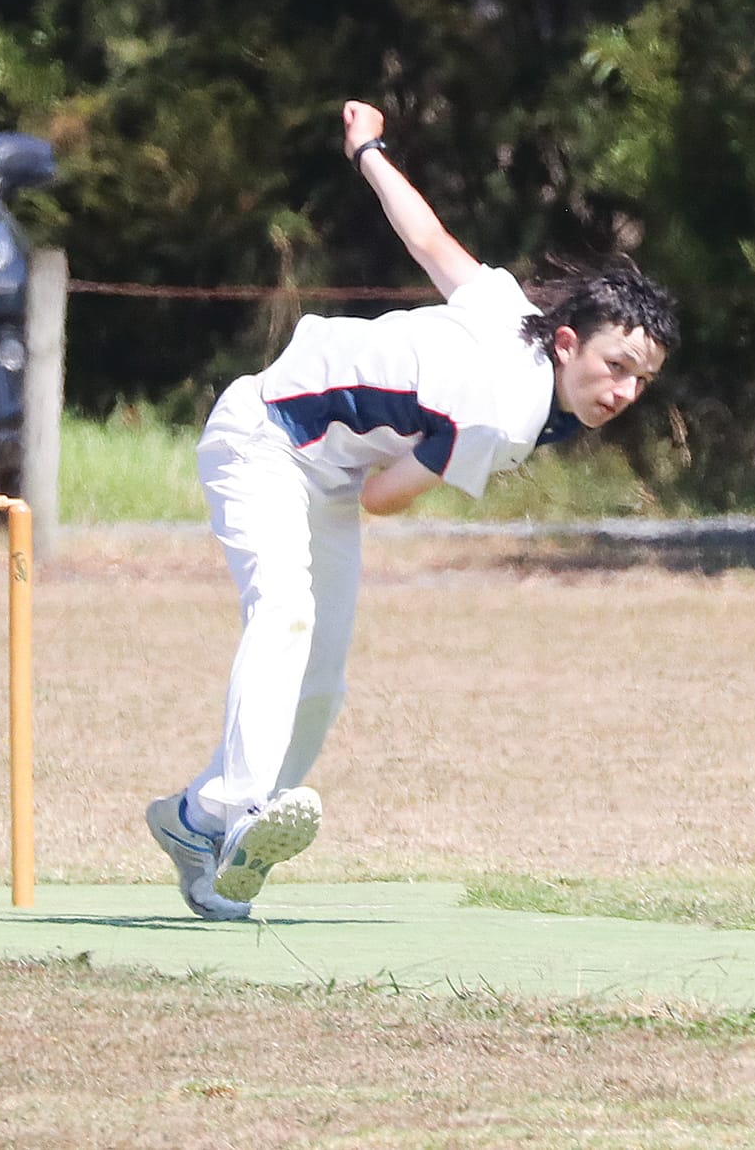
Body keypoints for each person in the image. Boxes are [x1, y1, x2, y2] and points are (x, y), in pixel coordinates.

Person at [146, 99, 680, 919]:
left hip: (324, 468)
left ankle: (209, 837)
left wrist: (370, 151)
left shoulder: (512, 312)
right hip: (264, 437)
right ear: (568, 342)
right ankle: (239, 808)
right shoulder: (503, 414)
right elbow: (383, 497)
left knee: (321, 682)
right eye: (615, 367)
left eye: (641, 381)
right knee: (284, 614)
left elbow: (427, 240)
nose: (623, 393)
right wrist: (437, 436)